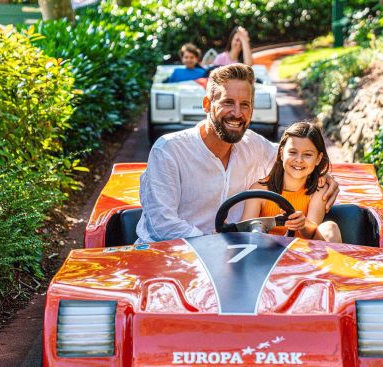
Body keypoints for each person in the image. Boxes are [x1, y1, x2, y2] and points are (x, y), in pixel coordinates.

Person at [136, 64, 339, 243]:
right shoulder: (169, 150)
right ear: (207, 104)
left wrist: (323, 175)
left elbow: (293, 159)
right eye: (227, 102)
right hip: (170, 256)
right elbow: (162, 224)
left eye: (245, 105)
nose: (237, 113)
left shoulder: (254, 144)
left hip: (233, 258)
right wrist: (211, 242)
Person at [240, 121, 342, 242]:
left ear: (318, 159)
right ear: (282, 153)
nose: (299, 160)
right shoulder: (258, 190)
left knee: (330, 228)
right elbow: (244, 232)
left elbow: (312, 233)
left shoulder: (319, 190)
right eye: (293, 152)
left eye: (307, 155)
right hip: (265, 253)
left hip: (303, 253)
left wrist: (303, 223)